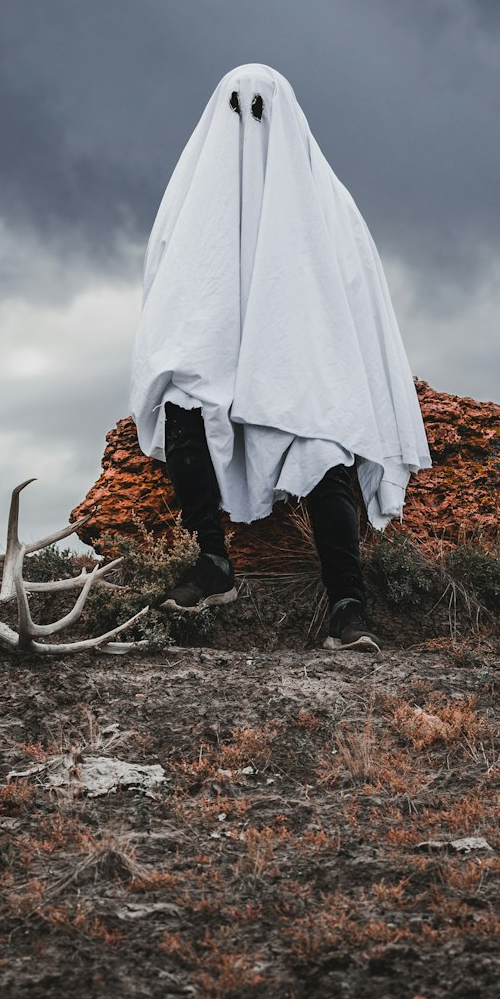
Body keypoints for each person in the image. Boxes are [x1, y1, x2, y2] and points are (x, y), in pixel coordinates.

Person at [129, 64, 431, 649]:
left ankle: (349, 606)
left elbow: (357, 302)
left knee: (323, 443)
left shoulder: (328, 206)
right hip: (216, 371)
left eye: (261, 111)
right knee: (182, 404)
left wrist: (307, 375)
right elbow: (169, 299)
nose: (249, 127)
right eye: (237, 110)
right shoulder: (193, 204)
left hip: (300, 375)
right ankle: (213, 564)